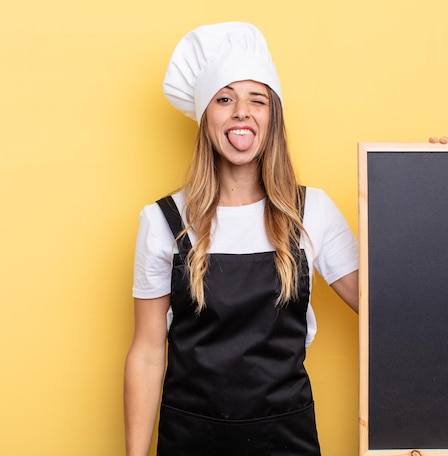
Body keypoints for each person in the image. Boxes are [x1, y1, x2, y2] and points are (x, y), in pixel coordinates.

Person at [123, 22, 359, 456]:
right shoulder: (163, 221)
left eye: (258, 99)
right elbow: (146, 352)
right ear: (205, 116)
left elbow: (389, 310)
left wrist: (425, 186)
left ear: (273, 116)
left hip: (286, 440)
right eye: (225, 99)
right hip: (190, 440)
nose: (242, 113)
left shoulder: (312, 213)